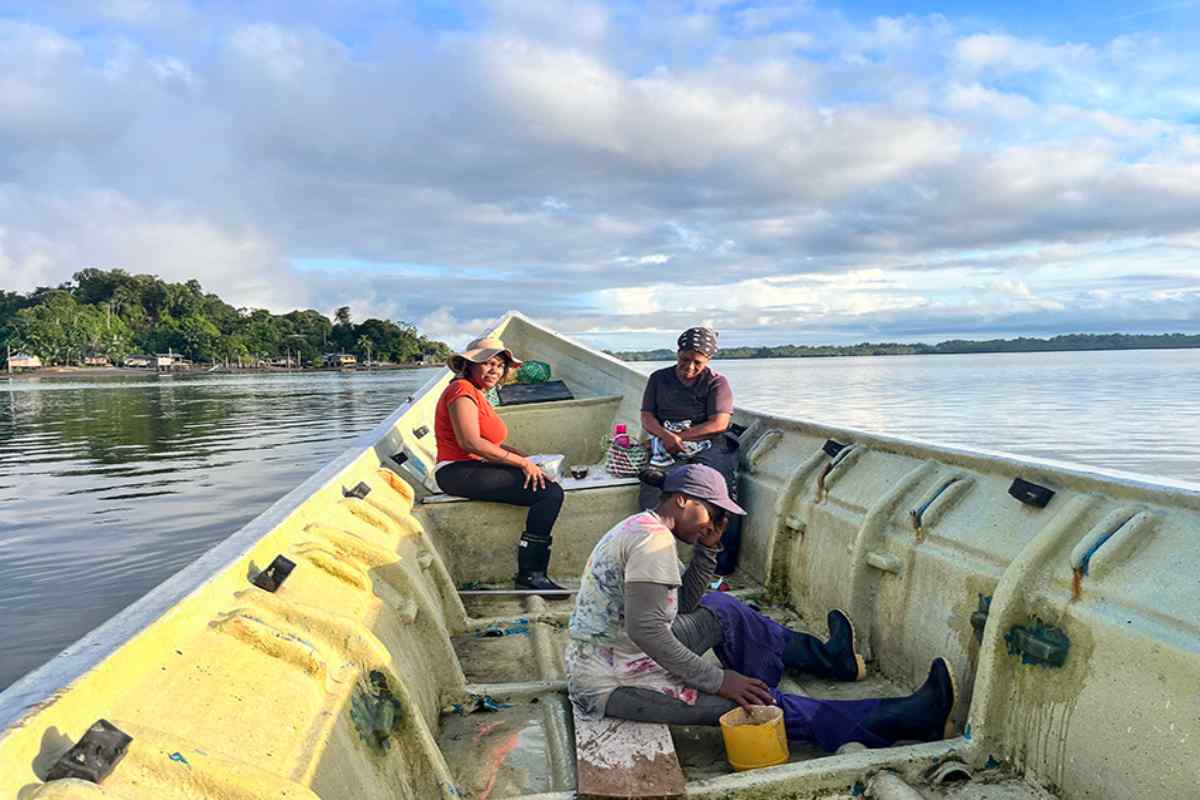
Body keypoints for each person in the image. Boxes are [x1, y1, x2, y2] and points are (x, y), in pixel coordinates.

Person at [565, 465, 956, 751]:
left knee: (722, 606)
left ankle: (832, 659)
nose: (714, 522)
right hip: (614, 682)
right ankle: (902, 720)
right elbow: (647, 631)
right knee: (757, 702)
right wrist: (720, 681)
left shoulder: (647, 528)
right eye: (711, 514)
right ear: (682, 499)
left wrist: (708, 549)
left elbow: (680, 607)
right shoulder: (651, 543)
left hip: (623, 653)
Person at [434, 336, 565, 591]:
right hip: (455, 471)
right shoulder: (461, 390)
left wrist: (525, 458)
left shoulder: (478, 394)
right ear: (469, 365)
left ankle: (531, 574)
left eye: (499, 365)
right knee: (549, 494)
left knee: (543, 481)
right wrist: (521, 464)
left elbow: (489, 442)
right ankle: (531, 575)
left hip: (471, 467)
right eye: (486, 363)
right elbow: (470, 443)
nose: (495, 370)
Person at [640, 326, 743, 574]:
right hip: (666, 439)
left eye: (697, 362)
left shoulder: (717, 383)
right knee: (653, 485)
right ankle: (650, 556)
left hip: (709, 441)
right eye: (684, 360)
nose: (689, 368)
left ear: (708, 361)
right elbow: (647, 416)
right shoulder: (658, 379)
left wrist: (681, 437)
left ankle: (721, 561)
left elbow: (719, 423)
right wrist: (667, 436)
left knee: (719, 488)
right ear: (677, 353)